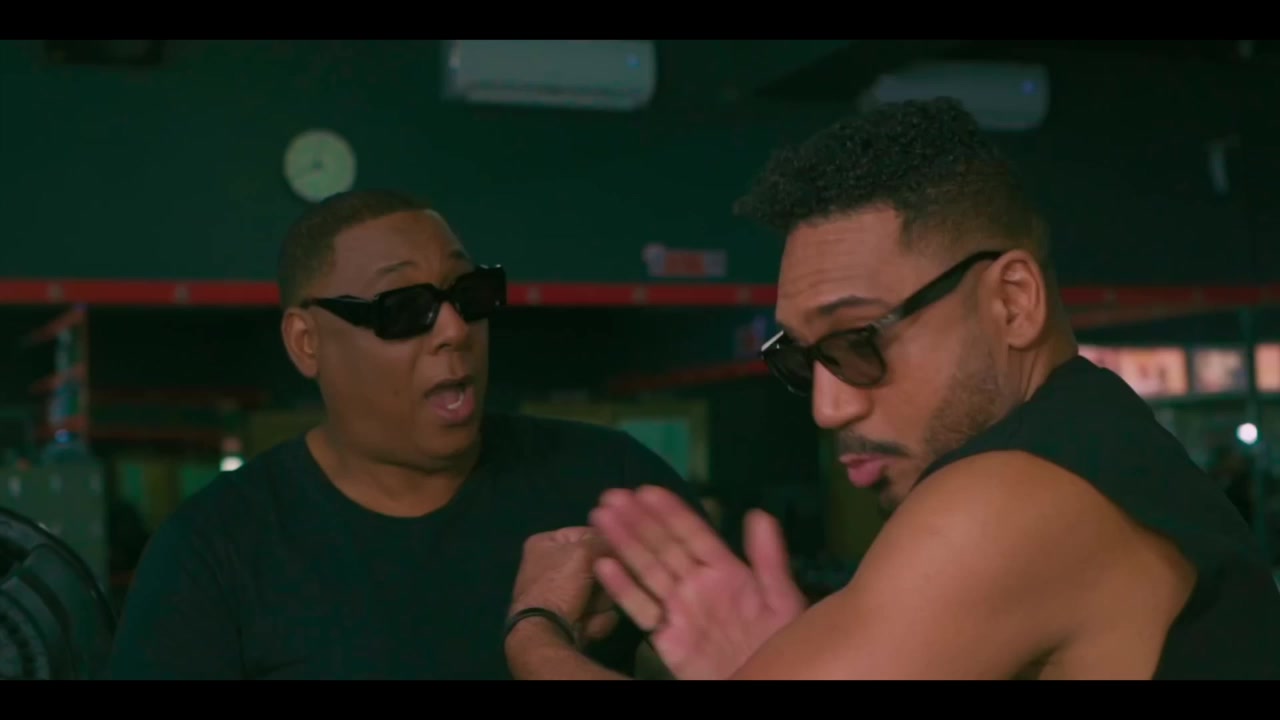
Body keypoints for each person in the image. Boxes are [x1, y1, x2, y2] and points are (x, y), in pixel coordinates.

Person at [520, 98, 1280, 680]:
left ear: (1013, 302)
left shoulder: (1014, 497)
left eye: (859, 342)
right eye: (802, 360)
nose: (829, 407)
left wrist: (534, 634)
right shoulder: (1101, 448)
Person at [106, 189, 698, 679]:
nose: (455, 329)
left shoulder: (613, 483)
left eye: (468, 295)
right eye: (405, 308)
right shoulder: (210, 553)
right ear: (307, 343)